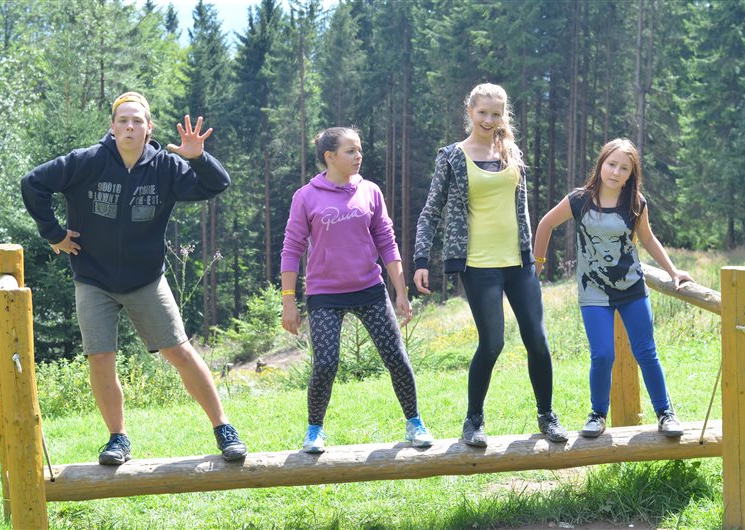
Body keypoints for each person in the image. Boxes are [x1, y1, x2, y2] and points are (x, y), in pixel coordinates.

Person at [21, 92, 247, 464]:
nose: (130, 127)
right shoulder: (87, 162)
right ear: (112, 127)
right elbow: (33, 183)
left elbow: (216, 184)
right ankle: (118, 439)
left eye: (137, 121)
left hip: (146, 279)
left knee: (179, 351)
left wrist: (197, 157)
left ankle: (224, 428)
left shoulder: (166, 167)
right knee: (100, 358)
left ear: (148, 128)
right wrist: (53, 233)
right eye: (123, 120)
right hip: (93, 278)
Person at [414, 83, 568, 446]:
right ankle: (474, 421)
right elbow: (431, 211)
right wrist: (421, 259)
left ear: (504, 115)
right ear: (469, 111)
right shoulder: (452, 156)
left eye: (495, 113)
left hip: (518, 263)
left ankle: (547, 416)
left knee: (538, 340)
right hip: (479, 265)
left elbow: (522, 209)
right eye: (482, 112)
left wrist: (534, 256)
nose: (488, 119)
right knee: (493, 343)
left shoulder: (511, 153)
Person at [281, 127, 433, 453]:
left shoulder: (370, 191)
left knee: (396, 357)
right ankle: (314, 430)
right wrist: (288, 301)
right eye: (350, 151)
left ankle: (414, 422)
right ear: (330, 156)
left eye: (359, 150)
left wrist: (401, 291)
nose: (358, 156)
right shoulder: (306, 196)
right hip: (325, 295)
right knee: (325, 364)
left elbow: (387, 241)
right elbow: (292, 249)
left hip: (369, 289)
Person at [534, 138, 691, 438]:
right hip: (593, 291)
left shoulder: (635, 203)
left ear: (631, 174)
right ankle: (597, 415)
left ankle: (665, 414)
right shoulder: (579, 200)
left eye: (624, 168)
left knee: (646, 352)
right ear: (601, 164)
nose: (616, 172)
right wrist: (536, 269)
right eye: (611, 164)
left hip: (632, 288)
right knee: (603, 355)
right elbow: (546, 224)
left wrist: (673, 271)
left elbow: (648, 238)